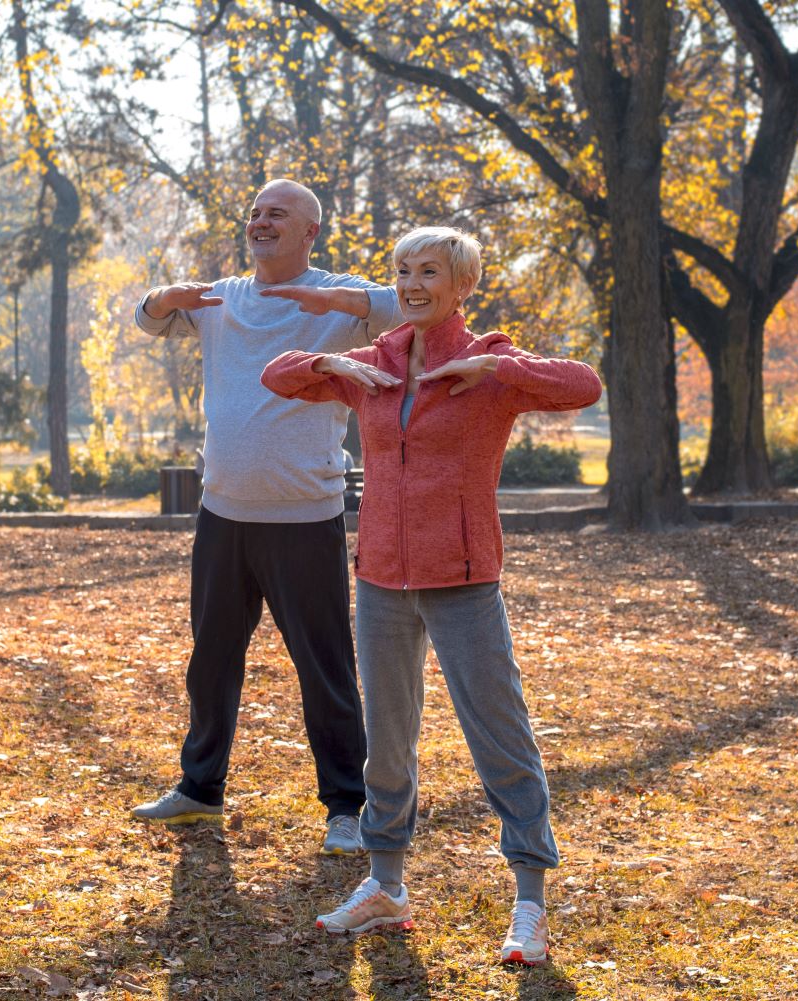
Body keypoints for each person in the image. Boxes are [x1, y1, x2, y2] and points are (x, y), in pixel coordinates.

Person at [260, 226, 602, 964]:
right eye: (403, 271)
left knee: (500, 738)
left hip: (465, 580)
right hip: (380, 579)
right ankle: (385, 886)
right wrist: (325, 358)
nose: (413, 283)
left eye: (429, 272)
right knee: (386, 743)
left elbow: (583, 385)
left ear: (461, 285)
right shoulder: (372, 364)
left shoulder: (492, 365)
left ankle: (530, 902)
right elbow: (278, 376)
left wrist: (498, 367)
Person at [129, 179, 402, 855]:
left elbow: (411, 307)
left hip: (305, 519)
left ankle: (346, 806)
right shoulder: (222, 297)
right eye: (254, 213)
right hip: (223, 514)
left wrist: (337, 301)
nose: (260, 221)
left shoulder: (342, 298)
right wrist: (164, 298)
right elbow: (147, 318)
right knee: (211, 659)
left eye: (276, 213)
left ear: (310, 230)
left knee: (326, 668)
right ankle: (199, 787)